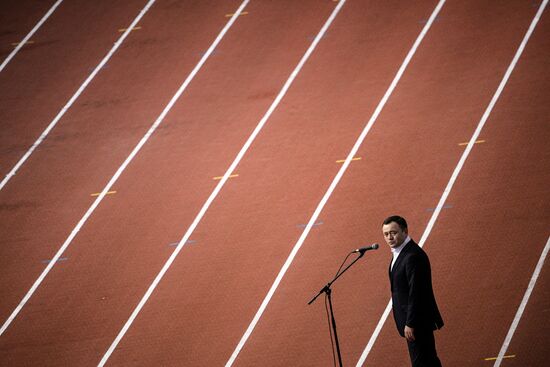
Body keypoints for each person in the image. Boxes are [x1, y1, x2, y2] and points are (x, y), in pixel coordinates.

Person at [382, 215, 444, 367]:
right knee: (429, 360)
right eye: (386, 234)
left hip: (417, 322)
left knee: (422, 362)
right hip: (415, 320)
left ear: (405, 231)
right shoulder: (401, 253)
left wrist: (410, 322)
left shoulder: (412, 256)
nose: (389, 237)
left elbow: (417, 293)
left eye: (393, 233)